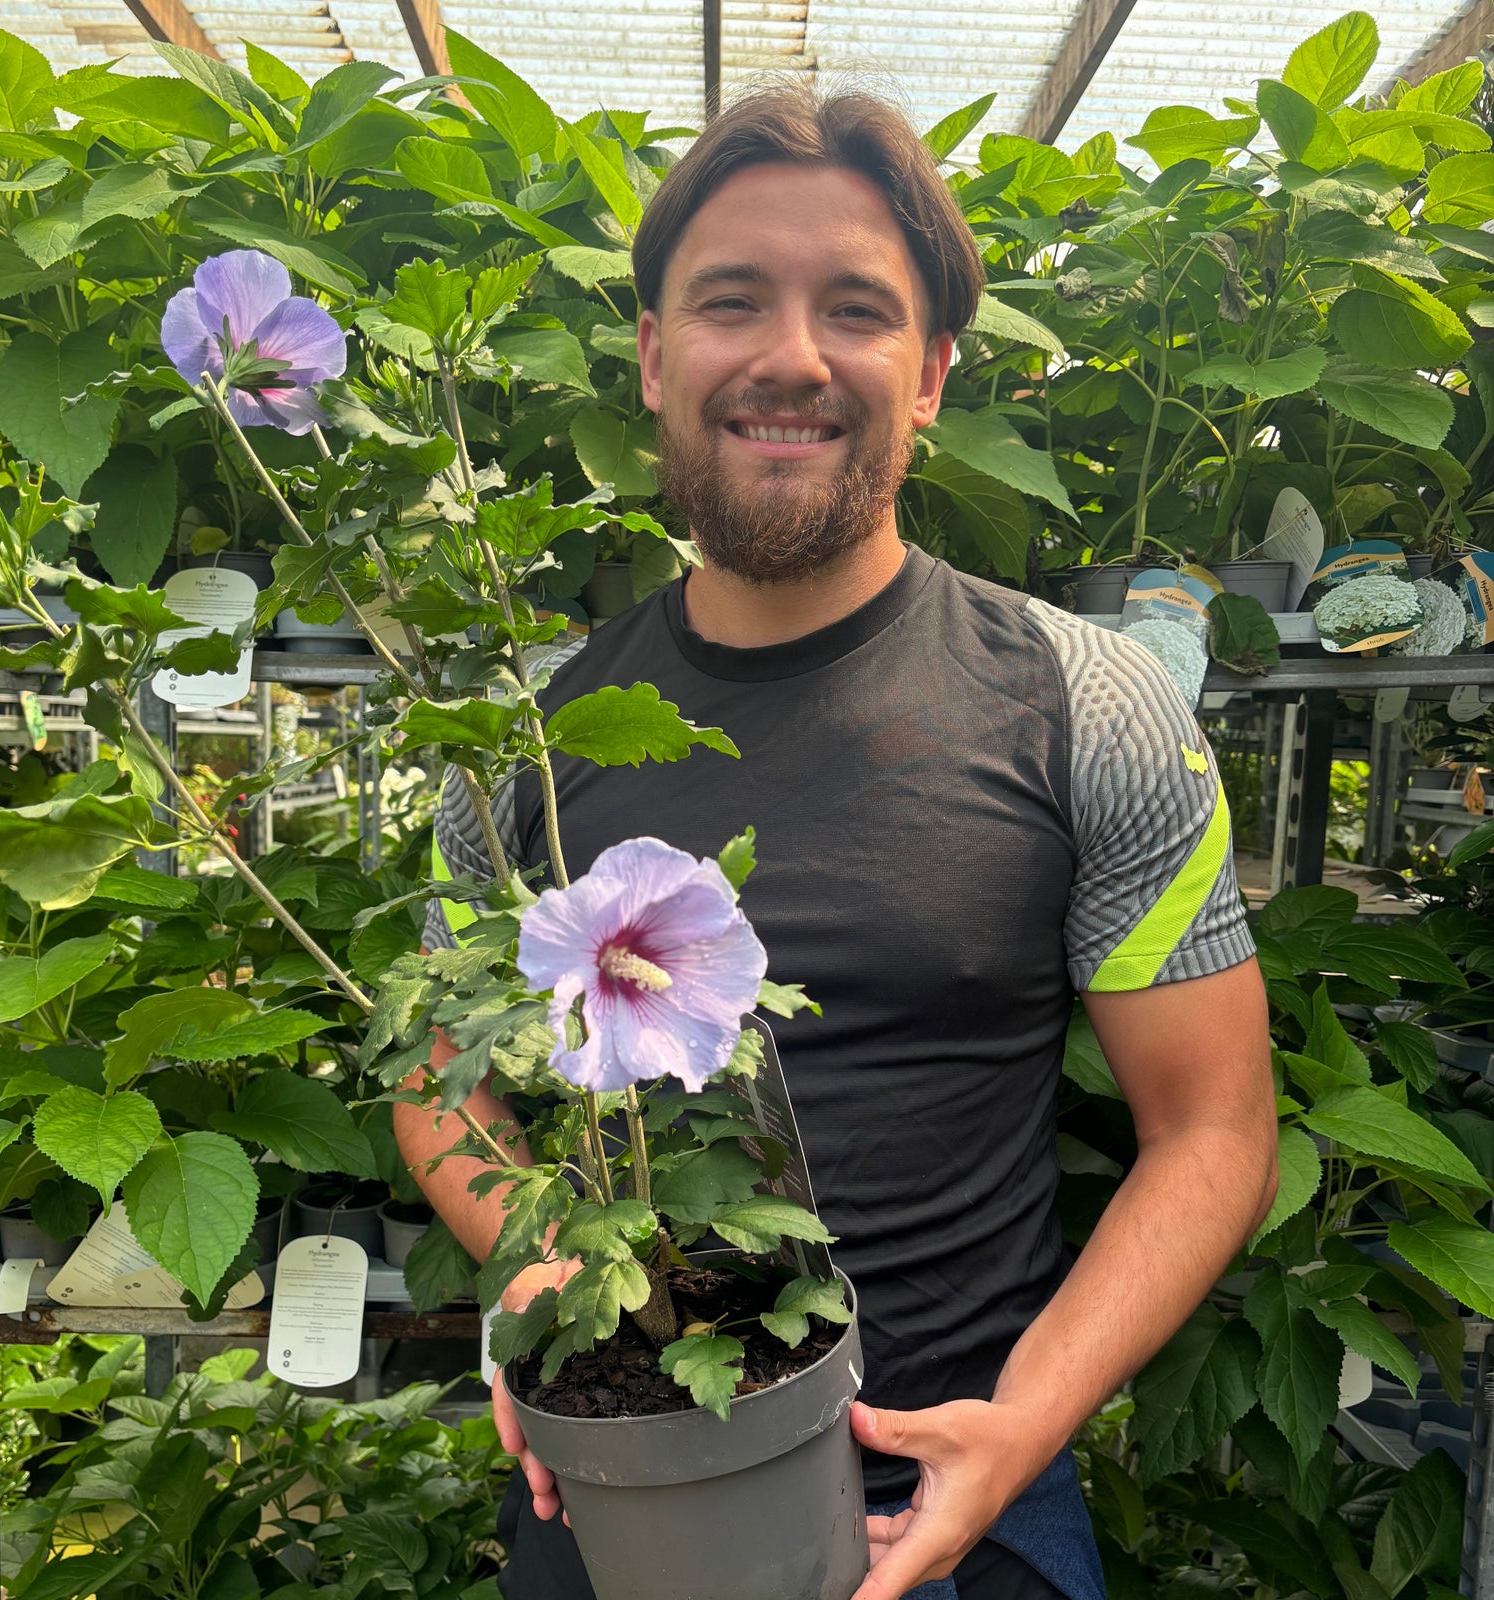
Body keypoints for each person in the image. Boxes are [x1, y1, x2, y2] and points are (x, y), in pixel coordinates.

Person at [395, 83, 1279, 1600]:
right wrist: (545, 1273)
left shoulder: (1089, 706)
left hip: (967, 1492)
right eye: (733, 301)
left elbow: (1213, 1130)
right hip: (616, 1486)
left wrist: (1019, 1426)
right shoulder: (525, 738)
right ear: (660, 360)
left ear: (931, 372)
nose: (793, 357)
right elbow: (437, 1075)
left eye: (856, 310)